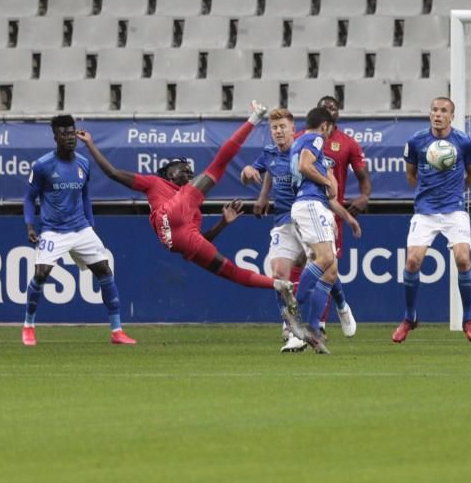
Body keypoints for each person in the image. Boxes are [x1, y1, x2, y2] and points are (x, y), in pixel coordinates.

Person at [75, 101, 299, 317]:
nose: (190, 174)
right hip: (169, 217)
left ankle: (279, 284)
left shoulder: (194, 207)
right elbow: (113, 173)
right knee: (218, 164)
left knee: (231, 272)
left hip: (177, 241)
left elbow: (201, 238)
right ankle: (254, 118)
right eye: (184, 170)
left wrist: (223, 223)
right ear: (169, 174)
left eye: (190, 172)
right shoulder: (155, 183)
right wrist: (90, 144)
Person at [241, 108, 358, 353]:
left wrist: (346, 217)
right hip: (285, 220)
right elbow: (258, 175)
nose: (278, 131)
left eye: (283, 126)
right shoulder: (270, 154)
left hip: (308, 213)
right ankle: (294, 329)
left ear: (294, 129)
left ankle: (340, 304)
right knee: (280, 273)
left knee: (328, 267)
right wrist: (248, 174)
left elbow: (330, 193)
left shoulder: (312, 151)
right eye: (274, 128)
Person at [22, 115, 136, 347]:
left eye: (71, 132)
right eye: (63, 133)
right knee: (41, 274)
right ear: (55, 136)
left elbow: (84, 195)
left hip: (81, 228)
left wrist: (90, 223)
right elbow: (29, 198)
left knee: (105, 271)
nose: (69, 137)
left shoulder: (83, 162)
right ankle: (29, 327)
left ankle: (117, 331)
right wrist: (30, 225)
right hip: (53, 231)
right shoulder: (42, 165)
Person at [393, 96, 471, 344]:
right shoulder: (416, 141)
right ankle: (409, 318)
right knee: (412, 260)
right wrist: (426, 195)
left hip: (454, 209)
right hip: (425, 211)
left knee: (463, 259)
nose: (437, 114)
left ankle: (468, 319)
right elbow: (411, 174)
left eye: (443, 111)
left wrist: (455, 192)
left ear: (452, 115)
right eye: (434, 110)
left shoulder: (463, 141)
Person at [289, 107, 362, 355]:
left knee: (329, 271)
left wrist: (341, 211)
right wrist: (327, 181)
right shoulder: (316, 138)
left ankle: (312, 330)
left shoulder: (300, 142)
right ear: (325, 126)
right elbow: (304, 166)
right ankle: (295, 310)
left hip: (309, 206)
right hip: (310, 205)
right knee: (326, 259)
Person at [305, 95, 372, 336]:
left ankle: (322, 321)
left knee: (327, 267)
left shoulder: (348, 143)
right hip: (303, 210)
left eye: (333, 107)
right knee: (316, 266)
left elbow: (363, 177)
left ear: (339, 113)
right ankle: (329, 312)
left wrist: (364, 196)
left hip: (330, 212)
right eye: (324, 107)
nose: (329, 110)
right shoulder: (304, 139)